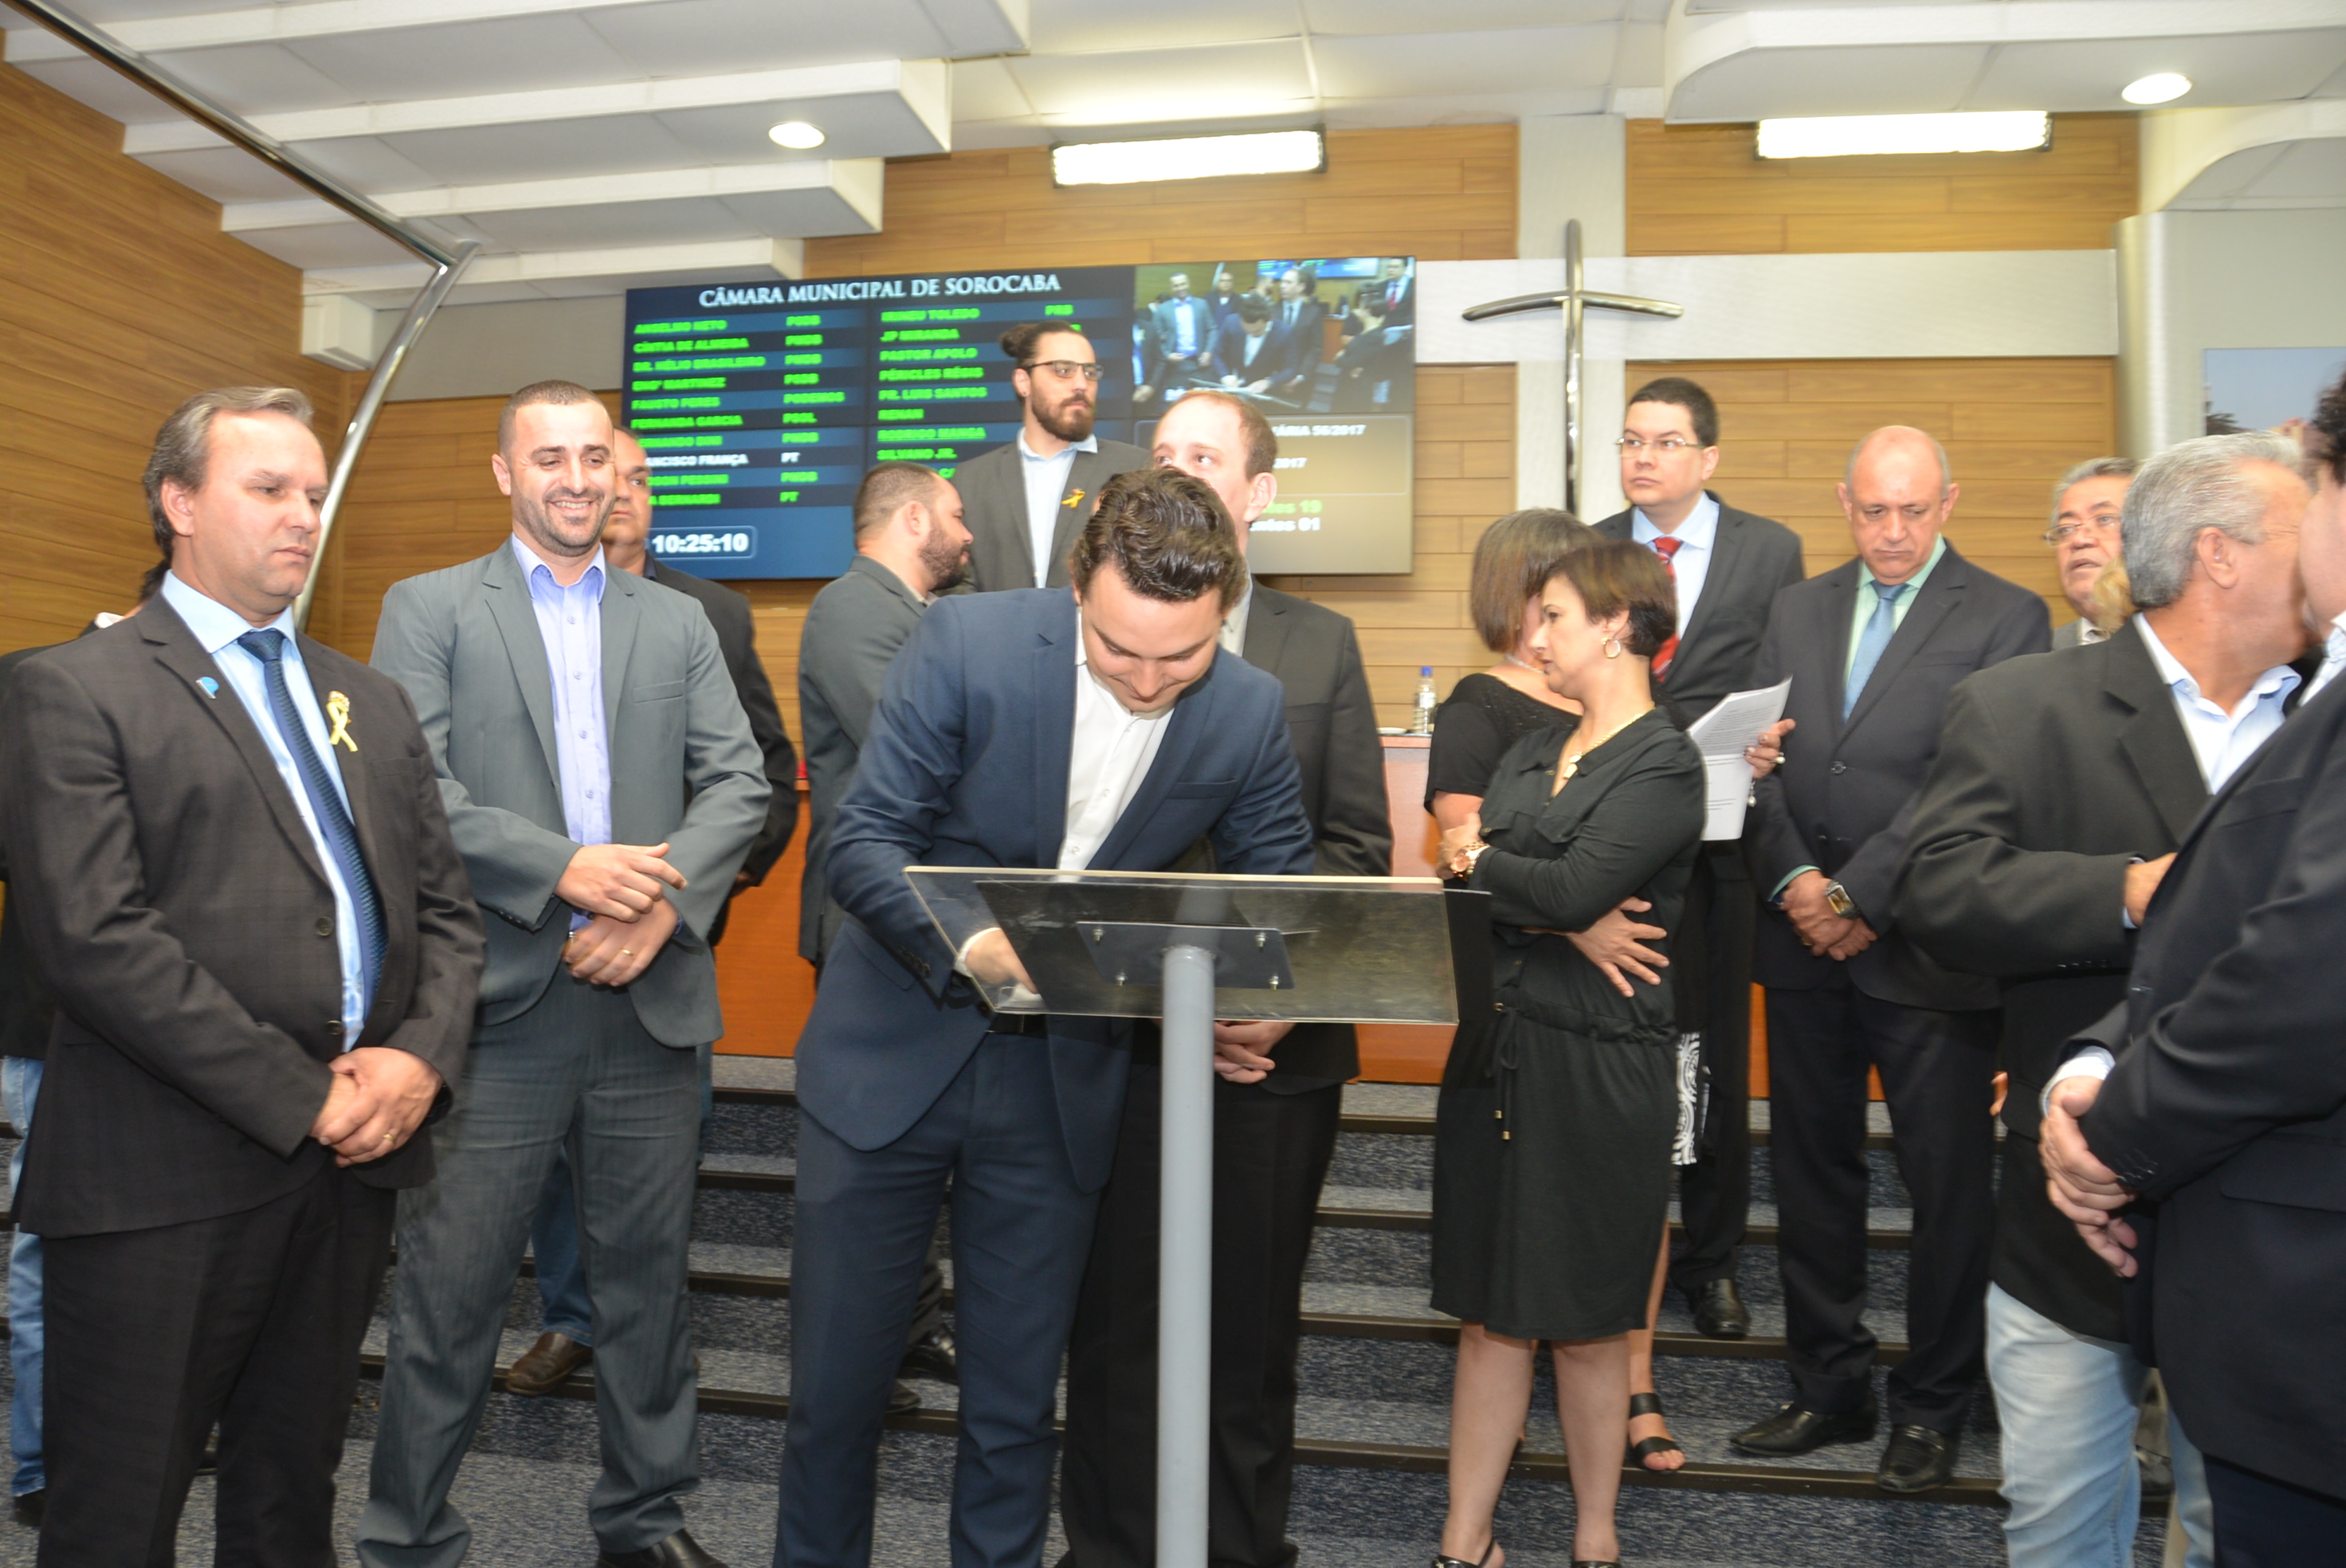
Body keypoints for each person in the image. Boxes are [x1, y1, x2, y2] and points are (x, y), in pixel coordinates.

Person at [776, 466, 1315, 1568]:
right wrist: (972, 944)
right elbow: (864, 841)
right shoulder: (964, 643)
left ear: (1223, 612)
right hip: (889, 1058)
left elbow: (1280, 895)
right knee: (837, 1397)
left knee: (1015, 1410)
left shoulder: (1248, 707)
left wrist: (1269, 1001)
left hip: (1060, 1088)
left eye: (1182, 657)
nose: (1150, 682)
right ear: (1079, 585)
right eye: (1120, 651)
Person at [0, 386, 485, 1563]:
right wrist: (306, 1094)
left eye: (313, 494)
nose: (304, 516)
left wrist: (418, 1061)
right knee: (118, 1515)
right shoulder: (73, 687)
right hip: (158, 1180)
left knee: (289, 1495)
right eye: (269, 489)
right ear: (179, 503)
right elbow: (95, 938)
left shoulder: (368, 698)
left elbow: (445, 915)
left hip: (347, 1176)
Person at [363, 380, 770, 1568]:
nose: (577, 479)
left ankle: (644, 1524)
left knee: (647, 1297)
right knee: (449, 1300)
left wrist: (659, 908)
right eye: (550, 458)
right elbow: (415, 789)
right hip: (495, 1011)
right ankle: (406, 1541)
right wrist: (568, 870)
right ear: (505, 472)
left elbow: (739, 783)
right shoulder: (429, 608)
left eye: (595, 456)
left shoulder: (678, 621)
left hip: (648, 1009)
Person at [1899, 434, 2310, 1566]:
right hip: (2068, 1203)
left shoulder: (2324, 721)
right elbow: (1938, 888)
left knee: (2242, 1525)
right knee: (2060, 1522)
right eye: (2308, 528)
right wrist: (2125, 893)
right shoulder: (2023, 704)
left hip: (2277, 1215)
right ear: (2220, 556)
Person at [1059, 391, 1390, 1568]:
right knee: (1111, 1324)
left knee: (1246, 1335)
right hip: (1120, 1039)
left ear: (1257, 492)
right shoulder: (1085, 633)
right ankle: (1105, 1549)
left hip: (1269, 1058)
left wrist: (1265, 995)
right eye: (1162, 455)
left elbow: (1353, 850)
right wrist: (1163, 990)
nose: (1178, 470)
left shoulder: (1319, 643)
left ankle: (1243, 1549)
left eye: (1202, 456)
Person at [2041, 414, 2346, 1566]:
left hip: (2307, 1309)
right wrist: (2095, 1063)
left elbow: (2300, 984)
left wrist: (2112, 1138)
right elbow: (2226, 939)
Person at [1733, 426, 2050, 1494]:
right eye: (1875, 510)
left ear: (1948, 503)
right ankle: (1829, 1387)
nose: (1894, 532)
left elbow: (1976, 779)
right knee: (1809, 1173)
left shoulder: (2007, 615)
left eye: (1914, 510)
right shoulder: (1796, 608)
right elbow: (1757, 762)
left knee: (1946, 1188)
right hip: (1800, 942)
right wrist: (1797, 883)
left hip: (1929, 950)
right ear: (1846, 503)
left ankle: (1933, 1404)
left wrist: (1858, 893)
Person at [504, 422, 802, 1400]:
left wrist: (690, 898)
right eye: (601, 470)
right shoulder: (504, 608)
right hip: (537, 934)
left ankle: (647, 1327)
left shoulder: (709, 612)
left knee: (659, 1159)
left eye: (633, 476)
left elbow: (761, 773)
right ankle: (571, 1318)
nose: (615, 490)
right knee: (554, 1160)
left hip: (664, 941)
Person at [1429, 539, 1707, 1568]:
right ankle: (1466, 1542)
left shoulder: (1666, 762)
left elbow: (1553, 883)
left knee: (1590, 1325)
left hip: (1598, 1069)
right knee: (1489, 1318)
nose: (1535, 635)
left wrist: (1507, 873)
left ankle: (1597, 1541)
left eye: (1553, 615)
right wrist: (1547, 903)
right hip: (1497, 1050)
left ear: (1616, 625)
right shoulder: (1530, 747)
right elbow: (1473, 888)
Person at [1595, 375, 1807, 1343]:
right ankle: (1622, 1251)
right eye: (1631, 440)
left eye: (1664, 442)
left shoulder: (1770, 550)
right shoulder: (1595, 546)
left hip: (1722, 847)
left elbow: (1780, 678)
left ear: (1708, 457)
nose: (1643, 457)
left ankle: (1710, 1260)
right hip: (1620, 847)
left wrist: (1769, 740)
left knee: (1711, 1056)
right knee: (1633, 1051)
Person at [797, 460, 974, 1410]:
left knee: (907, 1138)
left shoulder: (912, 614)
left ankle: (905, 1332)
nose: (968, 535)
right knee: (867, 1158)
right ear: (912, 519)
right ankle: (859, 1362)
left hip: (914, 924)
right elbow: (916, 750)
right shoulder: (853, 608)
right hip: (873, 923)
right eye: (956, 515)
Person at [0, 588, 157, 1530]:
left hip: (185, 1033)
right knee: (50, 1252)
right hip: (55, 1024)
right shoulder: (29, 680)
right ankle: (43, 1467)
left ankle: (128, 1440)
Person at [954, 321, 1148, 593]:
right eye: (1063, 370)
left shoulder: (1136, 470)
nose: (1081, 384)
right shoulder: (971, 480)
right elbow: (956, 584)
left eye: (1090, 372)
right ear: (1024, 382)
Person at [2046, 458, 2136, 649]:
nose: (2079, 540)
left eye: (2105, 519)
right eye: (2066, 528)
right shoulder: (2039, 652)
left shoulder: (2194, 649)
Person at [1134, 272, 1220, 404]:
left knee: (1203, 403)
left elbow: (1212, 329)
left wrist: (1208, 352)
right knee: (1176, 404)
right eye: (1176, 285)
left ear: (1188, 284)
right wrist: (1167, 355)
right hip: (1175, 367)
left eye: (1183, 284)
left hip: (1200, 365)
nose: (1180, 288)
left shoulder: (1202, 305)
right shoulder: (1163, 309)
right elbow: (1155, 338)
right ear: (1171, 287)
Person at [1211, 295, 1297, 399]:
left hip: (1263, 393)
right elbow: (1218, 353)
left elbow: (1291, 368)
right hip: (1231, 387)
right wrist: (1225, 375)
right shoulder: (1231, 322)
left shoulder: (1284, 332)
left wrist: (1269, 382)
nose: (1252, 334)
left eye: (1257, 331)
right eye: (1247, 331)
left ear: (1269, 319)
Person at [1267, 267, 1327, 402]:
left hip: (1301, 380)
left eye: (1288, 283)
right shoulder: (1271, 311)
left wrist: (1300, 377)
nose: (1282, 286)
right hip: (1272, 379)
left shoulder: (1313, 313)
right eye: (1282, 282)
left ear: (1301, 287)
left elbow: (1315, 349)